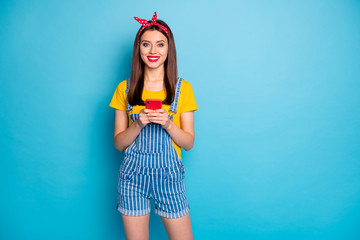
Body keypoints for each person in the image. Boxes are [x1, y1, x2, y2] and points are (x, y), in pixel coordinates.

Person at [109, 12, 198, 240]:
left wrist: (168, 123)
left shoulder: (182, 89)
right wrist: (138, 123)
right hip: (132, 179)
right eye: (146, 44)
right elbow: (119, 143)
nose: (153, 51)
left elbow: (188, 143)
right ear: (138, 48)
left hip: (169, 178)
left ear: (169, 49)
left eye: (160, 44)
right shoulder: (125, 89)